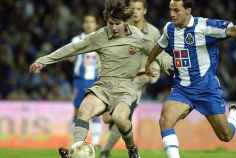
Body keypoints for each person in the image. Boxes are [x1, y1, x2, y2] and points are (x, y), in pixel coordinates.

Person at [145, 0, 236, 158]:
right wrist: (148, 62)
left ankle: (234, 114)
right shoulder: (169, 29)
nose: (172, 14)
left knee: (225, 135)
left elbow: (232, 30)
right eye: (170, 10)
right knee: (165, 121)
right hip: (182, 90)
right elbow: (160, 45)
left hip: (206, 89)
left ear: (188, 10)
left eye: (176, 10)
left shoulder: (204, 26)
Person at [29, 0, 155, 158]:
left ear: (126, 22)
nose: (113, 28)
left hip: (126, 88)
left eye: (117, 24)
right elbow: (73, 48)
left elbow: (157, 50)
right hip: (104, 85)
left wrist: (165, 66)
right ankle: (75, 150)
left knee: (118, 118)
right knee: (84, 109)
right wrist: (44, 60)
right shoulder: (100, 36)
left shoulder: (138, 37)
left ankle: (132, 148)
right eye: (110, 23)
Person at [100, 0, 173, 157]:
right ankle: (107, 148)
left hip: (138, 81)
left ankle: (105, 151)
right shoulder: (122, 27)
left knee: (120, 117)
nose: (135, 12)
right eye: (132, 9)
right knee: (109, 119)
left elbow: (158, 55)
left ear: (144, 11)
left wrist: (153, 73)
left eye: (138, 9)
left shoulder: (153, 32)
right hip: (118, 77)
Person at [71, 12, 102, 148]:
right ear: (83, 24)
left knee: (95, 111)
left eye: (91, 22)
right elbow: (70, 56)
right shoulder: (76, 39)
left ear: (96, 24)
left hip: (96, 80)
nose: (89, 24)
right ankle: (77, 142)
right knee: (77, 111)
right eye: (86, 21)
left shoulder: (102, 39)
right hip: (80, 80)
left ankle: (95, 142)